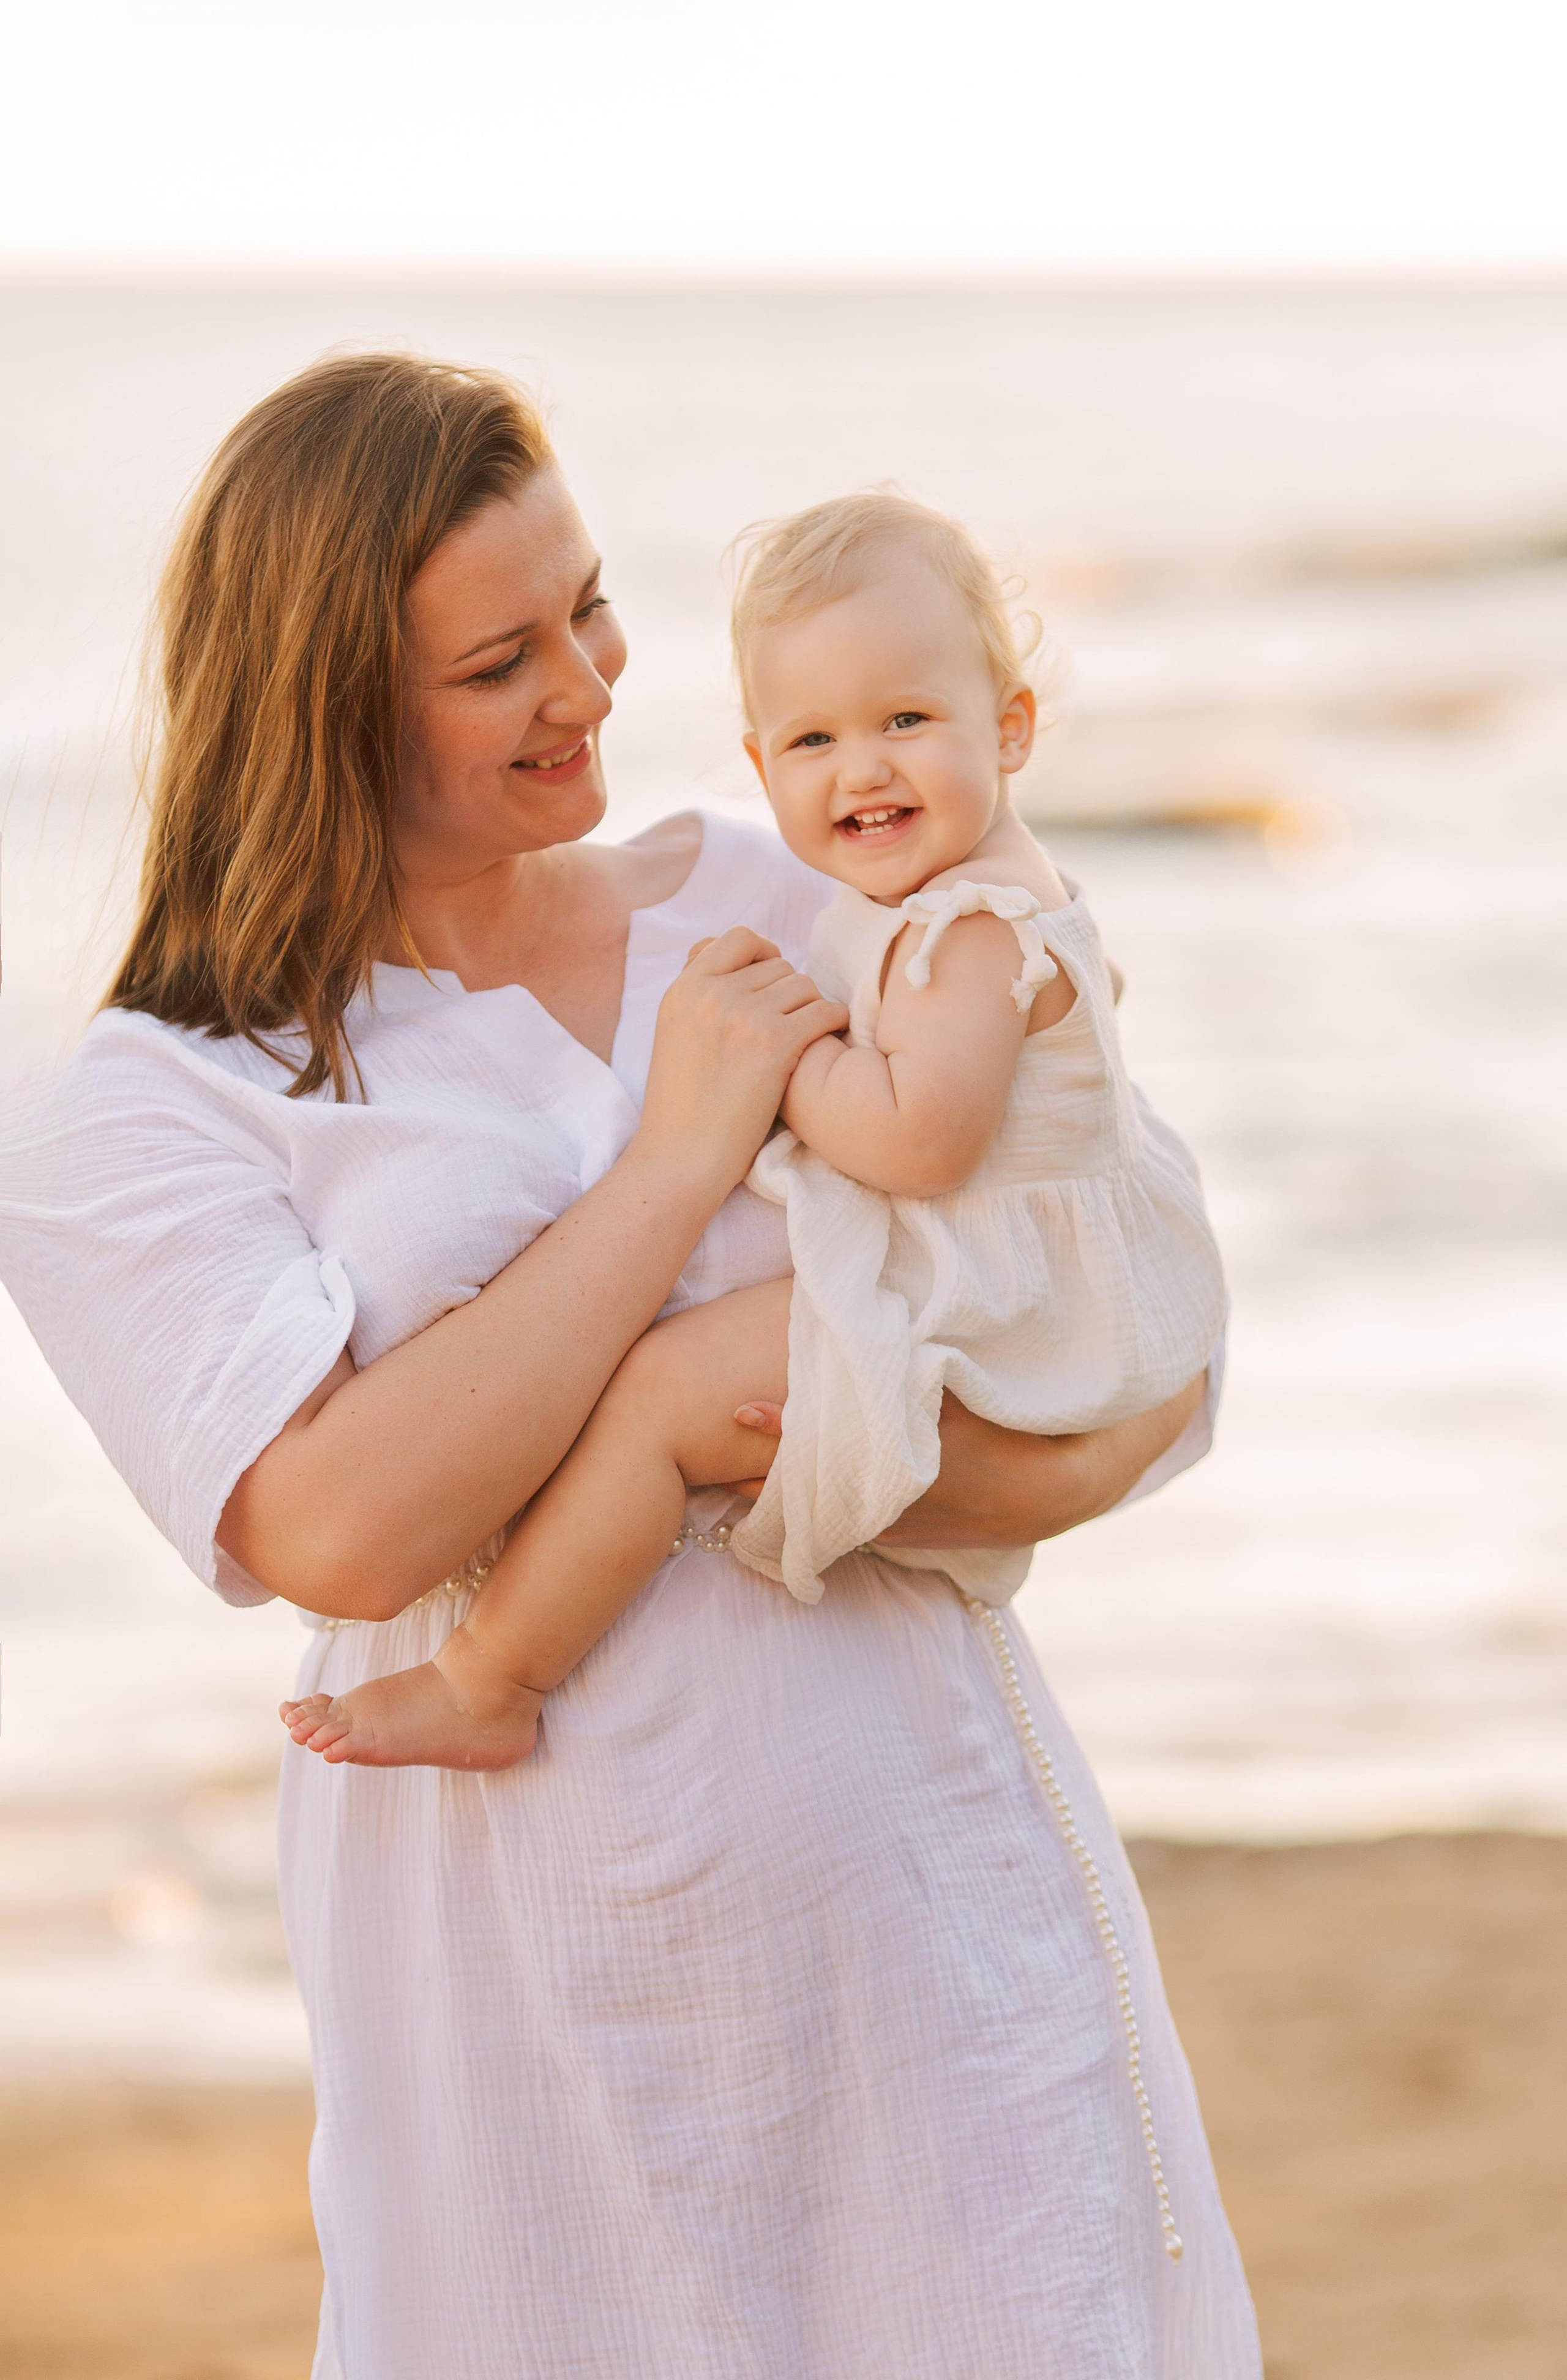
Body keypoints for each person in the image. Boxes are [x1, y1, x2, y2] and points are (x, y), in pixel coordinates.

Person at [0, 352, 1260, 2378]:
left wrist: (784, 1438)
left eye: (589, 604)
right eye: (503, 659)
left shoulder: (784, 895)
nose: (589, 682)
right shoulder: (140, 1112)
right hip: (543, 2001)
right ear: (326, 706)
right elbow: (341, 1518)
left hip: (937, 1932)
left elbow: (1127, 1325)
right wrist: (684, 1166)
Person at [282, 490, 1224, 1794]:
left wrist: (781, 1071)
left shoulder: (970, 930)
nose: (861, 770)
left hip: (999, 1280)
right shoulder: (933, 898)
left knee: (664, 1398)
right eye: (810, 740)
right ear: (755, 757)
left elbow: (922, 1142)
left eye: (905, 720)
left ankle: (488, 1680)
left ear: (1005, 726)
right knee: (680, 1396)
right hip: (1001, 1265)